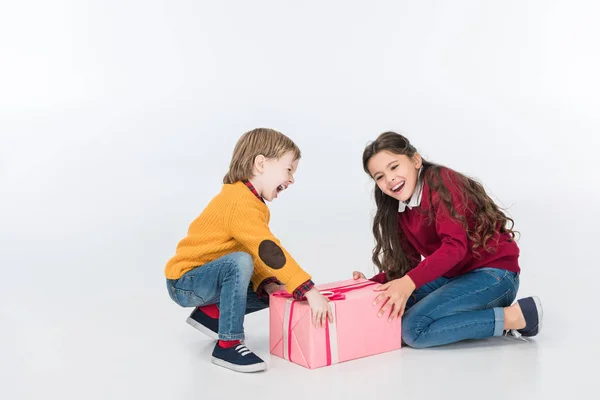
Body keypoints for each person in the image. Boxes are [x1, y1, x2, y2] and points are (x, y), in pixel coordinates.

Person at [353, 131, 542, 348]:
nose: (390, 179)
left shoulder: (441, 182)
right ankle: (468, 314)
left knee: (412, 330)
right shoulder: (401, 209)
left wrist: (408, 283)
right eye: (379, 177)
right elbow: (408, 266)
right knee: (394, 305)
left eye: (394, 167)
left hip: (495, 276)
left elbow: (455, 248)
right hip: (457, 277)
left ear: (415, 160)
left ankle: (515, 317)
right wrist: (370, 285)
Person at [164, 128, 332, 372]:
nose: (292, 179)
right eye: (288, 170)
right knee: (239, 262)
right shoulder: (238, 200)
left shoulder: (251, 202)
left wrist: (273, 284)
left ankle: (211, 315)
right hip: (185, 281)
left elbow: (256, 251)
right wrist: (308, 288)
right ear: (261, 163)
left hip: (207, 279)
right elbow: (268, 250)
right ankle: (228, 344)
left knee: (274, 290)